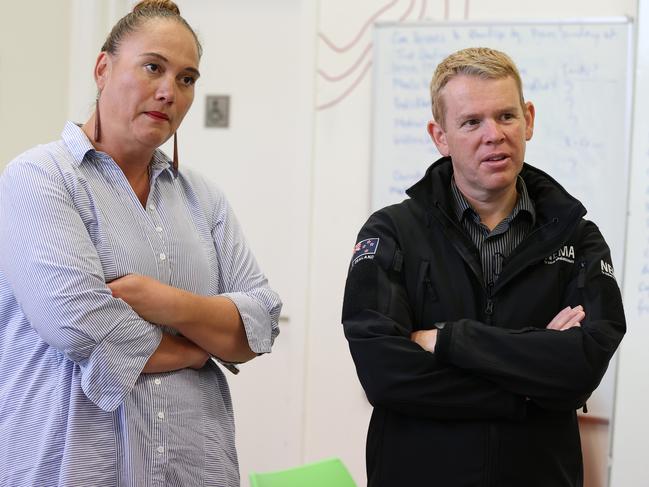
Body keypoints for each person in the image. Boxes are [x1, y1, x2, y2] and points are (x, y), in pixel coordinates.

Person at [0, 1, 281, 485]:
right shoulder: (40, 178)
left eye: (187, 78)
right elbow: (79, 326)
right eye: (153, 67)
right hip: (75, 467)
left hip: (197, 467)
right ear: (102, 68)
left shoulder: (203, 197)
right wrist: (198, 347)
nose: (169, 92)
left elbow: (258, 322)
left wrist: (162, 302)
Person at [342, 47, 625, 487]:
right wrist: (529, 387)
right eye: (472, 122)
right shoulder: (393, 232)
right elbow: (384, 375)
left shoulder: (577, 237)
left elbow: (581, 368)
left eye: (506, 116)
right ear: (440, 136)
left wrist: (450, 340)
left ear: (528, 119)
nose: (493, 134)